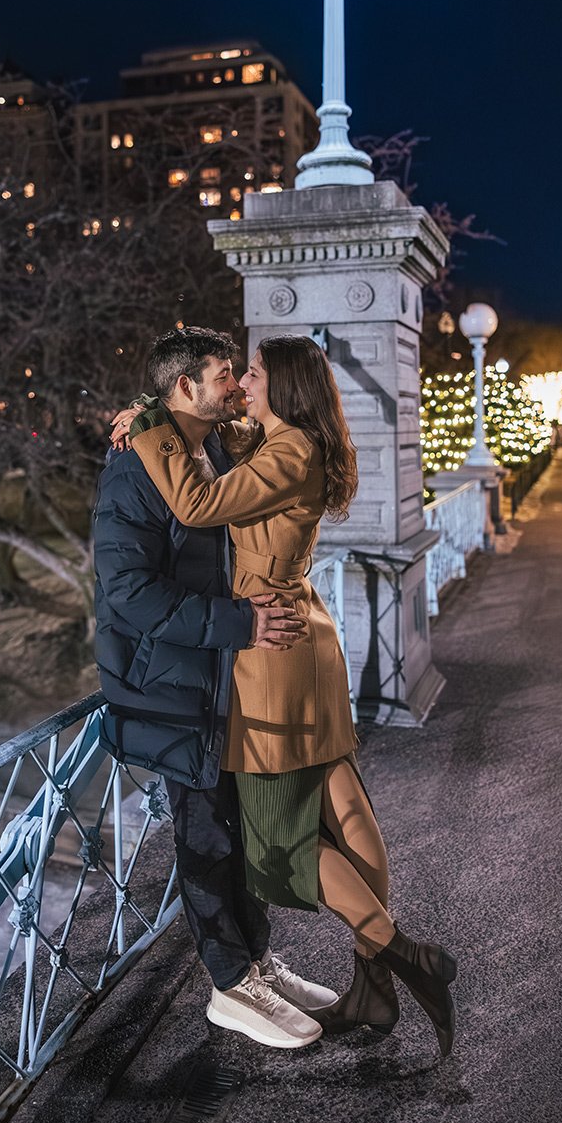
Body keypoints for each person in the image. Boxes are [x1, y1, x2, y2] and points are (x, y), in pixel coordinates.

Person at [117, 334, 460, 1056]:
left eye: (253, 372)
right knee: (343, 805)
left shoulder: (289, 450)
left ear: (285, 385)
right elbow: (231, 438)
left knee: (278, 843)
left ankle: (403, 956)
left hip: (268, 652)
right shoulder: (289, 441)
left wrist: (148, 425)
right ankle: (372, 987)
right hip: (303, 637)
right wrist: (154, 411)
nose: (242, 382)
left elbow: (200, 500)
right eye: (233, 373)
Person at [91, 327, 337, 1050]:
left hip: (223, 675)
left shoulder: (217, 448)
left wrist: (140, 411)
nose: (235, 386)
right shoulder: (132, 472)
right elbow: (128, 593)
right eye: (224, 375)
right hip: (172, 683)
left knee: (241, 826)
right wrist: (238, 623)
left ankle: (257, 960)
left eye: (238, 374)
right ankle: (230, 985)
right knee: (203, 837)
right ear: (185, 389)